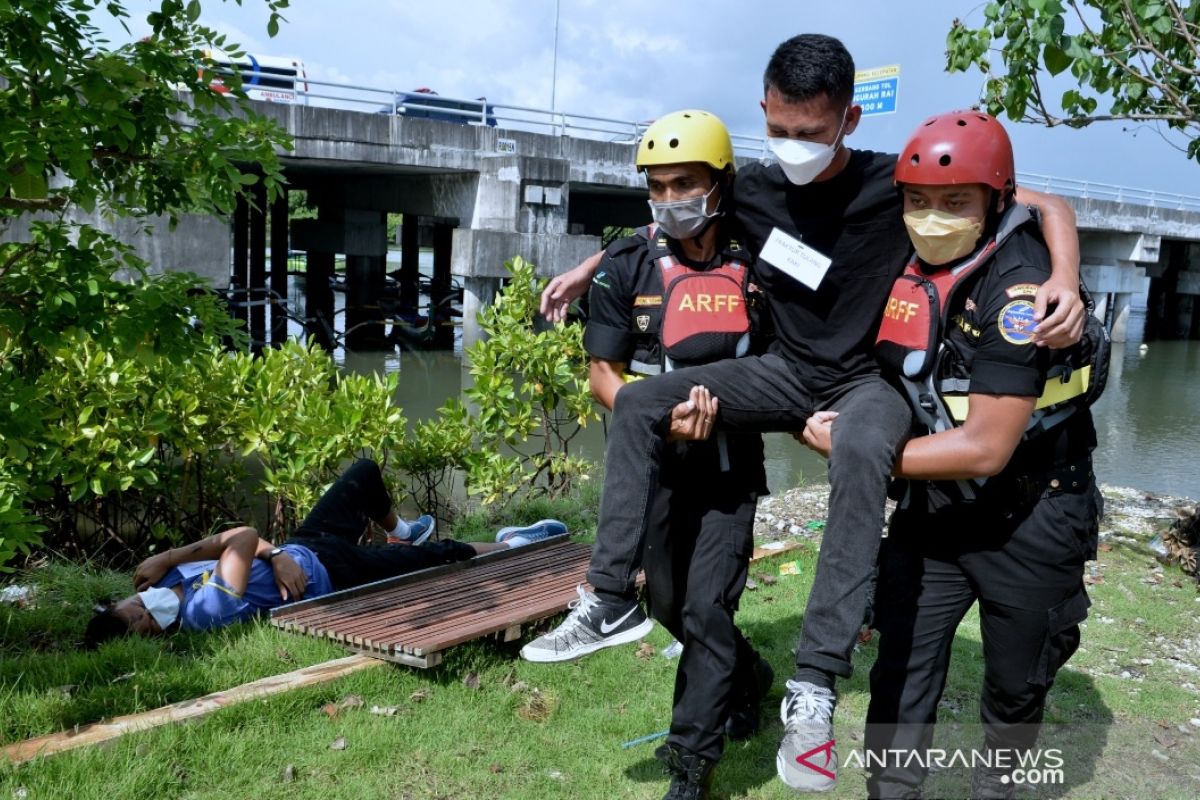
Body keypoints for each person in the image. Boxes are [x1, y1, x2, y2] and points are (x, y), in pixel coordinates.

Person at [536, 34, 1087, 794]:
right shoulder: (756, 189)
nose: (793, 146)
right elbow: (669, 222)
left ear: (849, 119)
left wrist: (1065, 274)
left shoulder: (896, 185)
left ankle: (816, 684)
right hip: (784, 372)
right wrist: (589, 265)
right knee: (636, 400)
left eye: (812, 132)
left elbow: (1043, 201)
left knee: (861, 450)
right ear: (764, 110)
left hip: (867, 383)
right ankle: (605, 597)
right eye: (781, 129)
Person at [802, 110, 1102, 800]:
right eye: (918, 201)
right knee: (899, 675)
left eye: (955, 202)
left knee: (1014, 690)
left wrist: (856, 451)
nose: (931, 217)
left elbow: (985, 447)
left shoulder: (1019, 294)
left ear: (996, 200)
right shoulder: (911, 241)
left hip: (1031, 516)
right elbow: (1051, 200)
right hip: (933, 514)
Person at [525, 109, 774, 799]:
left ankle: (691, 769)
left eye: (684, 183)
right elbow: (603, 374)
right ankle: (749, 674)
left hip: (731, 474)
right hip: (655, 470)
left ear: (720, 183)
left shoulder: (761, 259)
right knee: (669, 606)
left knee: (705, 613)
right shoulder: (626, 263)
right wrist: (662, 422)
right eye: (657, 186)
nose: (670, 199)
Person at [85, 458, 566, 643]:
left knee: (362, 474)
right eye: (139, 625)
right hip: (334, 572)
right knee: (440, 559)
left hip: (303, 544)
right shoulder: (203, 612)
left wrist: (277, 554)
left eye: (128, 609)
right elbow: (243, 537)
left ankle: (402, 529)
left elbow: (250, 542)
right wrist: (170, 557)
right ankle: (510, 545)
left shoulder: (157, 587)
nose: (141, 611)